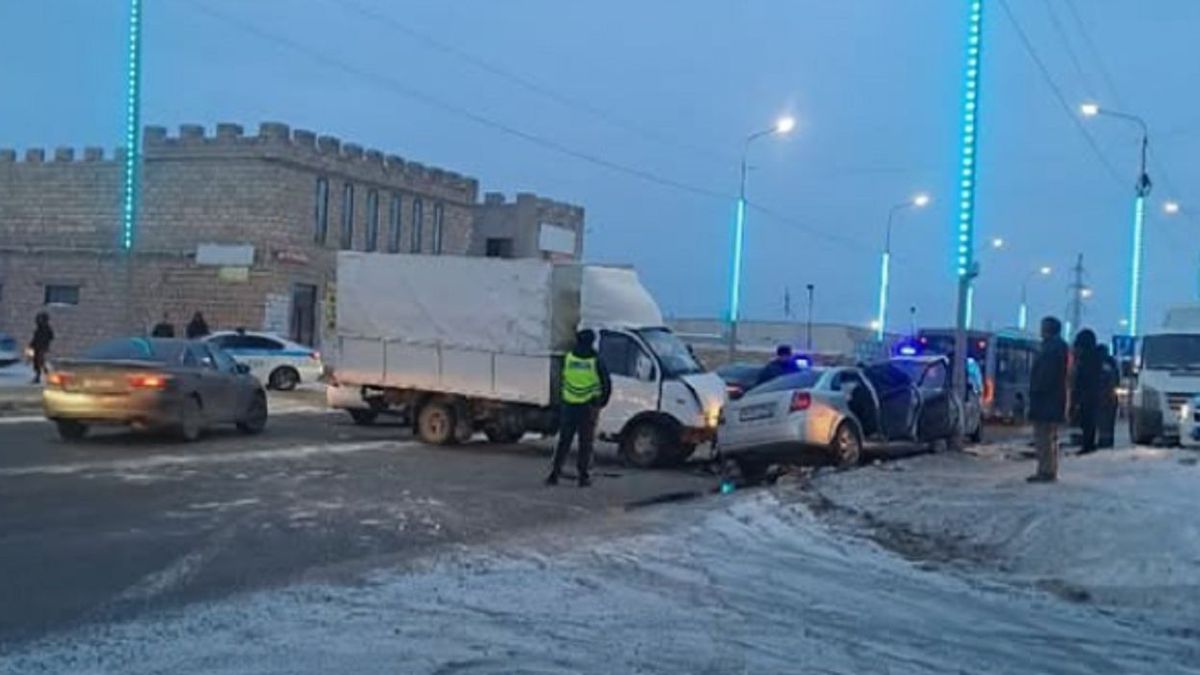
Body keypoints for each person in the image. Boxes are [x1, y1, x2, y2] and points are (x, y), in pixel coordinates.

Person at [547, 329, 611, 487]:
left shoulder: (569, 358)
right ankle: (583, 477)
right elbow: (606, 383)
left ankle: (554, 474)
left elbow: (561, 378)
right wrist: (602, 401)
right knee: (585, 443)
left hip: (569, 405)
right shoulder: (595, 361)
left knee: (564, 442)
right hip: (588, 407)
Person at [1027, 316, 1069, 482]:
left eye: (1043, 327)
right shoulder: (1058, 348)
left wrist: (1036, 390)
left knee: (1043, 436)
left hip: (1046, 399)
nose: (1040, 330)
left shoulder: (1050, 350)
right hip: (1052, 399)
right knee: (1049, 436)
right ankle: (1048, 469)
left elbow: (1045, 376)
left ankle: (1045, 471)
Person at [1071, 329, 1103, 455]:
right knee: (1088, 421)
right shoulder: (1095, 358)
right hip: (1091, 395)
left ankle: (1088, 445)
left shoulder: (1087, 360)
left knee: (1087, 421)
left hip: (1088, 395)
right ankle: (1088, 443)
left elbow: (1084, 378)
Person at [1096, 344, 1120, 449]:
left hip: (1102, 396)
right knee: (1108, 421)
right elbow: (1117, 379)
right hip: (1110, 397)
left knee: (1103, 420)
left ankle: (1103, 441)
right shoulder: (1112, 363)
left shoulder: (1099, 363)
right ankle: (1108, 441)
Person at [28, 312, 54, 385]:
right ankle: (39, 376)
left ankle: (46, 376)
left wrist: (45, 344)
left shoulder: (47, 329)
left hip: (42, 347)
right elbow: (35, 338)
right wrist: (31, 345)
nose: (39, 321)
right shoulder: (39, 329)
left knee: (40, 362)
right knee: (37, 362)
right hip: (36, 347)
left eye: (41, 319)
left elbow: (51, 337)